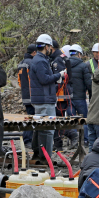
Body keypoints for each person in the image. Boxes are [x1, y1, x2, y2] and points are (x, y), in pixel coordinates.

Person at [30, 34, 65, 162]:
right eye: (50, 46)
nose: (51, 49)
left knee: (40, 128)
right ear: (46, 46)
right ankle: (46, 158)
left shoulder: (39, 59)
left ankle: (38, 154)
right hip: (44, 100)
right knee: (48, 130)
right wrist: (58, 75)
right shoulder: (40, 61)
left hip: (42, 98)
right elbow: (44, 79)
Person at [51, 40, 78, 151]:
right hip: (64, 93)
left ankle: (72, 135)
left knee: (56, 120)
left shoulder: (57, 59)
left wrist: (52, 91)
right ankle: (58, 144)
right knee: (58, 119)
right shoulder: (63, 57)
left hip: (60, 94)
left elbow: (61, 78)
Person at [69, 44, 92, 147]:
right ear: (79, 54)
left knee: (72, 120)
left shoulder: (65, 65)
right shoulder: (83, 66)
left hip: (68, 97)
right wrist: (91, 95)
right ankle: (85, 140)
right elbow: (88, 83)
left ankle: (73, 141)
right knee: (84, 119)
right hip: (80, 97)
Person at [18, 44, 37, 148]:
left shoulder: (21, 63)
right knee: (32, 119)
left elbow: (19, 81)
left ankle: (28, 139)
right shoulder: (32, 63)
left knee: (29, 117)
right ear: (34, 53)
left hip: (25, 95)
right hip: (32, 95)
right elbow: (33, 80)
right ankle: (27, 140)